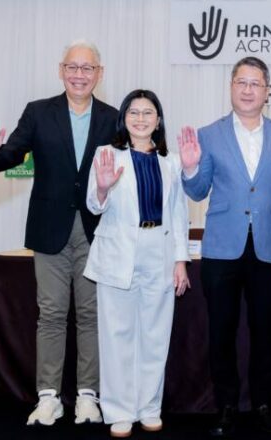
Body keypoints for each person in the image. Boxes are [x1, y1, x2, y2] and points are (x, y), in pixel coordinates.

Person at [0, 40, 117, 426]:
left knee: (90, 313)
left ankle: (88, 396)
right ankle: (48, 396)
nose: (79, 75)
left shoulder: (113, 118)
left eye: (87, 68)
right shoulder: (38, 112)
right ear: (61, 70)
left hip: (97, 229)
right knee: (50, 313)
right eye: (73, 67)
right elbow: (12, 153)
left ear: (99, 74)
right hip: (48, 228)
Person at [178, 56, 271, 436]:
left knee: (265, 333)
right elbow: (198, 191)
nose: (248, 90)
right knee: (221, 332)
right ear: (231, 87)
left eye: (255, 84)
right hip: (221, 248)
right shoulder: (209, 134)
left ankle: (264, 406)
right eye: (241, 82)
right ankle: (227, 407)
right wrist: (190, 168)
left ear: (267, 91)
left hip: (268, 246)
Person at [83, 89, 190, 438]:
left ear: (158, 121)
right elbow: (94, 205)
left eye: (148, 113)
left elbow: (179, 214)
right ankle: (119, 410)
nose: (140, 118)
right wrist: (102, 188)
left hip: (159, 250)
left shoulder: (171, 161)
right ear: (124, 118)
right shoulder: (106, 154)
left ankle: (149, 407)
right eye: (134, 112)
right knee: (117, 336)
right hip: (119, 253)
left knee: (155, 336)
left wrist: (181, 260)